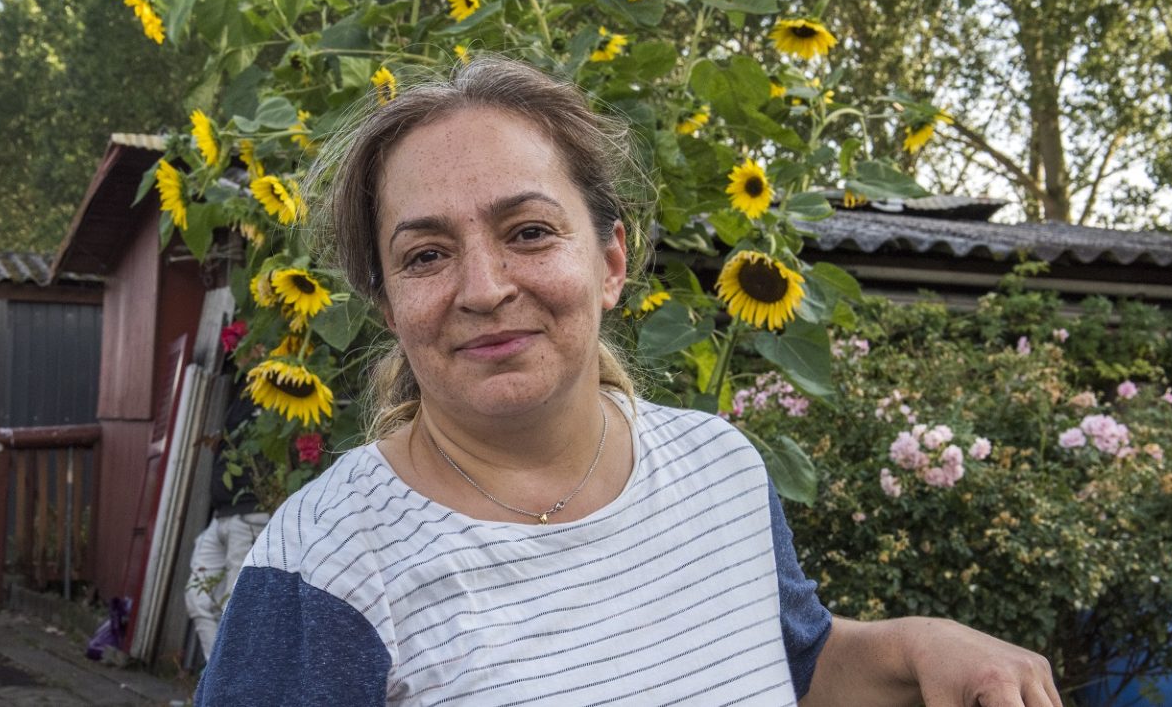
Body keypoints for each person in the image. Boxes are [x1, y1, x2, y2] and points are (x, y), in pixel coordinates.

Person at [195, 56, 1061, 706]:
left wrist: (921, 646)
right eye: (426, 255)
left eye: (529, 232)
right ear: (387, 305)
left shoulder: (718, 466)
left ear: (611, 260)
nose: (486, 288)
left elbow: (794, 660)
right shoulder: (329, 562)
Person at [184, 390, 269, 664]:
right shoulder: (246, 392)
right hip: (222, 515)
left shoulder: (279, 392)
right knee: (198, 597)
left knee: (236, 609)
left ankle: (232, 690)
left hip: (251, 514)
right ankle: (217, 682)